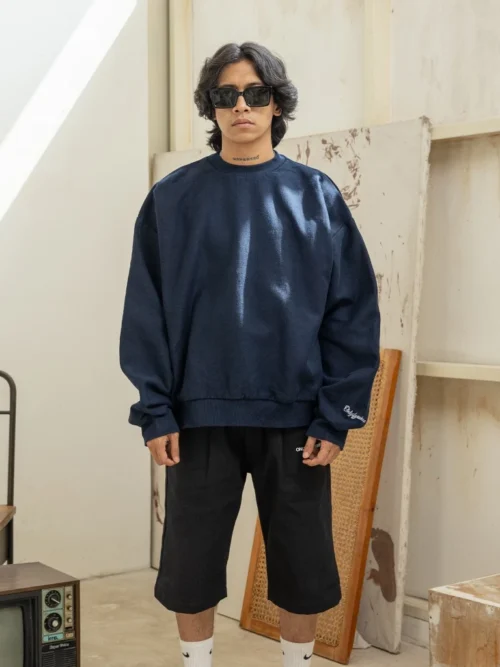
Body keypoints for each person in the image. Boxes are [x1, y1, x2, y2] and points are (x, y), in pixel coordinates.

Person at [120, 41, 380, 667]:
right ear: (211, 107)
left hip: (296, 416)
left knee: (303, 564)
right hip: (197, 415)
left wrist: (336, 415)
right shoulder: (172, 199)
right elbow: (145, 311)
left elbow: (352, 311)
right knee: (190, 563)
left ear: (276, 104)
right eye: (227, 94)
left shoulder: (315, 196)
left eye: (256, 93)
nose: (241, 106)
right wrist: (156, 410)